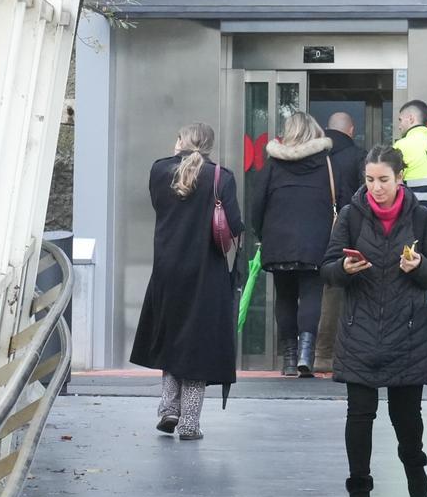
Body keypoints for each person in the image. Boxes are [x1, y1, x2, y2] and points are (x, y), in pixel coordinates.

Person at [321, 145, 427, 497]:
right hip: (359, 332)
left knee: (406, 417)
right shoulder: (351, 216)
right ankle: (358, 491)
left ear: (399, 178)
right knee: (359, 416)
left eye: (383, 180)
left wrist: (420, 265)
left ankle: (413, 460)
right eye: (370, 180)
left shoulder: (421, 218)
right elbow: (327, 269)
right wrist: (344, 267)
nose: (376, 187)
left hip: (408, 335)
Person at [129, 123, 243, 441]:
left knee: (171, 337)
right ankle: (190, 422)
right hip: (207, 273)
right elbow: (234, 224)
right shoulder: (222, 177)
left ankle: (168, 409)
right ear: (208, 146)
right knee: (198, 345)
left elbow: (160, 205)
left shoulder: (159, 171)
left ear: (180, 141)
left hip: (167, 270)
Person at [251, 112, 334, 377]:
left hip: (279, 240)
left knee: (285, 297)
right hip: (316, 241)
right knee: (311, 294)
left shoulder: (273, 165)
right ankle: (305, 356)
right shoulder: (327, 164)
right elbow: (340, 199)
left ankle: (288, 359)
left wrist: (261, 232)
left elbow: (257, 204)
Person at [315, 112, 367, 373]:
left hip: (312, 234)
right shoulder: (358, 156)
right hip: (349, 232)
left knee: (320, 292)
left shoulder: (314, 157)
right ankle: (346, 352)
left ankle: (315, 353)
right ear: (352, 129)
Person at [393, 99, 427, 227]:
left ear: (411, 119)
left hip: (408, 224)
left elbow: (390, 185)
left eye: (400, 120)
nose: (399, 126)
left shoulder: (402, 145)